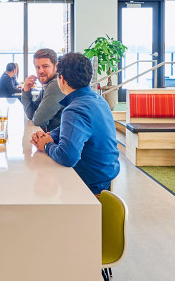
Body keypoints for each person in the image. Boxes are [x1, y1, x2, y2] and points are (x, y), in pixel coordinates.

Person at [31, 53, 120, 195]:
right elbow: (70, 129)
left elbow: (67, 157)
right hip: (106, 174)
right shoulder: (97, 98)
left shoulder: (74, 109)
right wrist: (49, 135)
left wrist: (46, 145)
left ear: (62, 79)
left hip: (89, 184)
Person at [21, 48, 66, 132]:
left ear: (56, 66)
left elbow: (38, 120)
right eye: (37, 67)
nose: (40, 71)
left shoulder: (56, 84)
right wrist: (26, 90)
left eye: (45, 66)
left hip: (59, 141)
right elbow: (31, 114)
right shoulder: (47, 84)